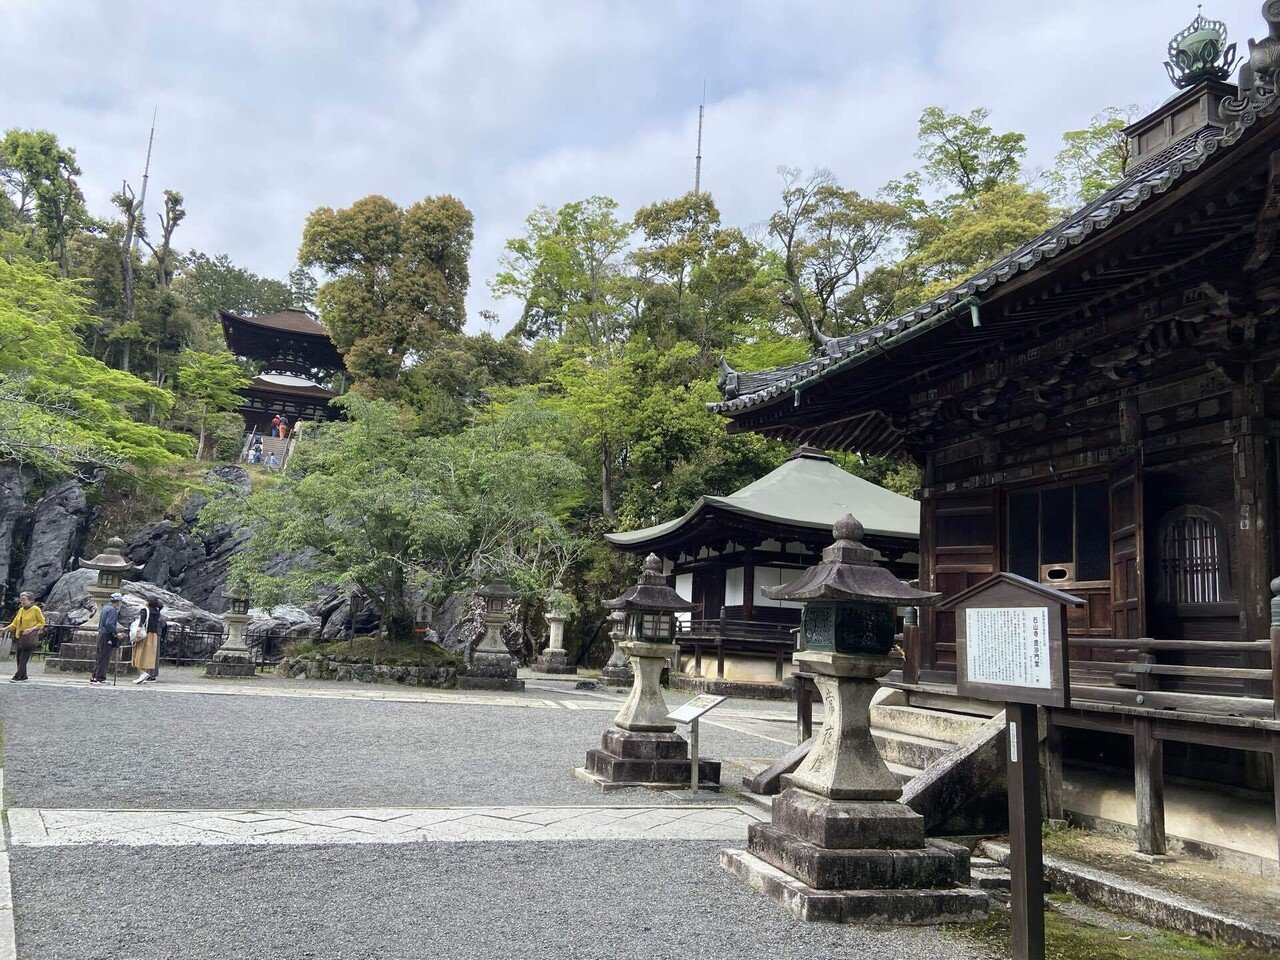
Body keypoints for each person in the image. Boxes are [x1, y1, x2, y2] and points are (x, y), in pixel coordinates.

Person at [3, 590, 45, 682]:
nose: (22, 602)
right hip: (20, 636)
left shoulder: (35, 609)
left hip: (29, 637)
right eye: (21, 600)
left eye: (24, 600)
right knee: (19, 657)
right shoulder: (21, 610)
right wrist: (5, 629)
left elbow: (42, 622)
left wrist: (32, 629)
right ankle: (23, 676)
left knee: (23, 658)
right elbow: (14, 623)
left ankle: (17, 676)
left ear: (30, 600)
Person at [91, 592, 123, 685]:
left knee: (99, 657)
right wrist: (116, 633)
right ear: (118, 602)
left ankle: (94, 676)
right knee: (104, 657)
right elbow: (109, 624)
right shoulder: (112, 610)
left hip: (101, 634)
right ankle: (100, 678)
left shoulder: (105, 608)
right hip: (106, 635)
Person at [131, 598, 164, 684]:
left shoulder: (144, 610)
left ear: (148, 602)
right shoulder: (157, 612)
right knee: (148, 655)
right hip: (154, 635)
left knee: (139, 654)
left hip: (145, 634)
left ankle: (142, 673)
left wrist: (138, 630)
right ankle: (144, 675)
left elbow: (142, 621)